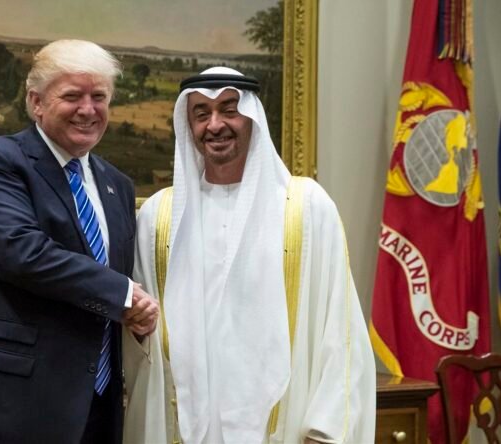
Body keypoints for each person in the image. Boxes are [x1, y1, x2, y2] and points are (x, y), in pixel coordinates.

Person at [0, 39, 159, 444]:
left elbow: (109, 282)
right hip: (4, 403)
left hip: (94, 408)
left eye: (99, 97)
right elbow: (22, 254)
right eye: (72, 96)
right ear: (36, 102)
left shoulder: (117, 184)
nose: (88, 109)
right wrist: (124, 295)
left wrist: (135, 317)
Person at [123, 67, 376, 444]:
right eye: (201, 114)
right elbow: (140, 335)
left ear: (253, 118)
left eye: (229, 109)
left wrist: (326, 429)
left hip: (282, 427)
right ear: (188, 125)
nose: (215, 125)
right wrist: (137, 329)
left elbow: (339, 327)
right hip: (184, 427)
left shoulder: (305, 207)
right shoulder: (160, 217)